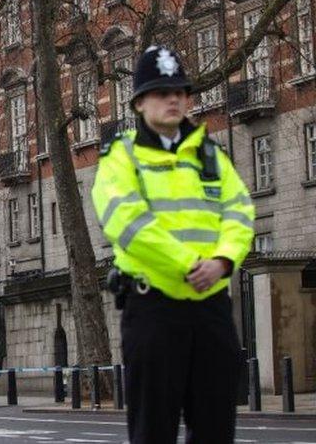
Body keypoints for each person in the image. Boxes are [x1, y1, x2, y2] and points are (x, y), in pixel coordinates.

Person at [91, 46, 255, 443]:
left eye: (180, 91)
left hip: (211, 310)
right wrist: (192, 263)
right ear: (139, 102)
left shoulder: (211, 155)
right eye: (163, 92)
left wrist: (223, 260)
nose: (174, 99)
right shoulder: (120, 159)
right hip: (153, 310)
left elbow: (240, 212)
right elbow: (129, 225)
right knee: (153, 432)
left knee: (217, 430)